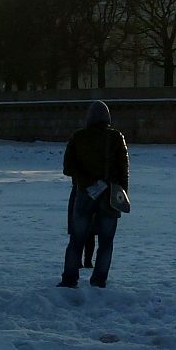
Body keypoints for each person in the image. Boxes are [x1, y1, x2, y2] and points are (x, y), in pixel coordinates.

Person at [58, 101, 129, 289]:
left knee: (77, 240)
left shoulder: (78, 137)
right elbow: (123, 170)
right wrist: (122, 195)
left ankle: (70, 278)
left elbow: (67, 168)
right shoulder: (116, 138)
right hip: (109, 194)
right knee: (106, 242)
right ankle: (99, 281)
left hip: (84, 193)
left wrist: (86, 181)